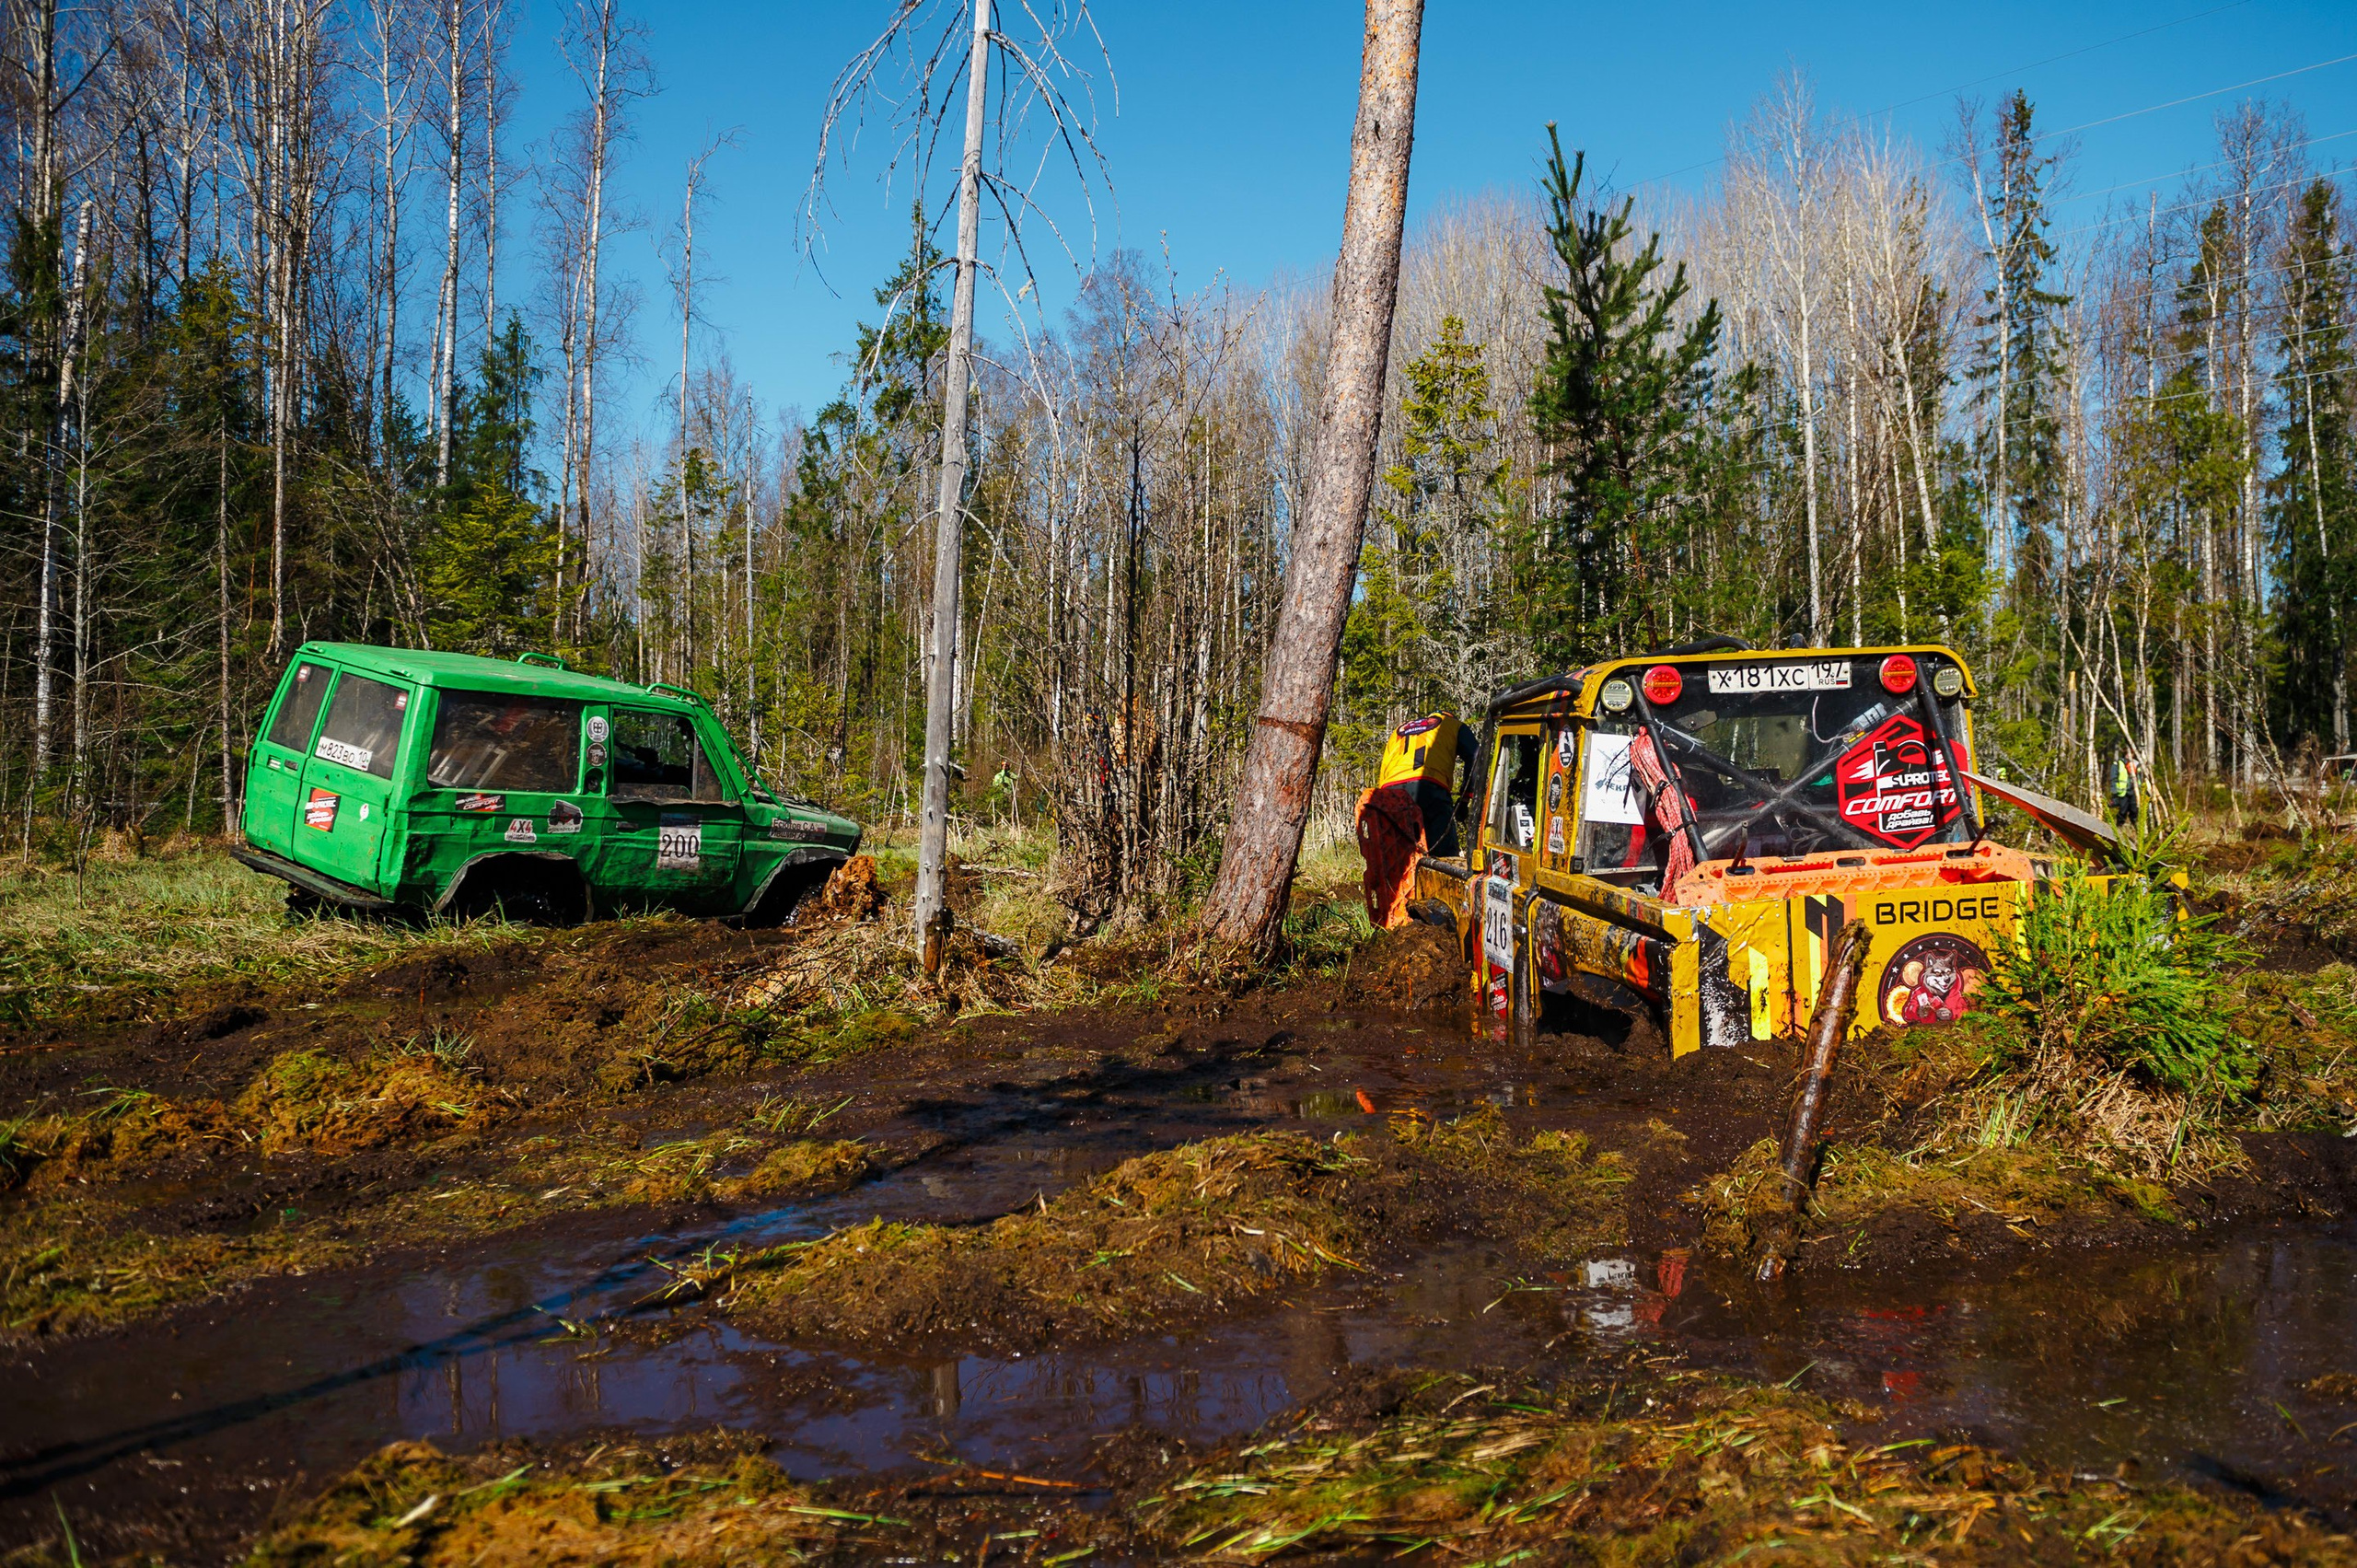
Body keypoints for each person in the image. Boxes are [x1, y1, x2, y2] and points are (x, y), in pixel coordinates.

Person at [1374, 711, 1480, 858]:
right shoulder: (1454, 725)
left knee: (1399, 856)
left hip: (1390, 789)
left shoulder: (1399, 729)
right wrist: (1465, 798)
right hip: (1429, 787)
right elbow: (1475, 755)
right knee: (1444, 857)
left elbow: (1385, 766)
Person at [2109, 754, 2140, 831]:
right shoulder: (2118, 763)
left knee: (2134, 811)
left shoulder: (2136, 764)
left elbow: (2140, 778)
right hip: (2122, 792)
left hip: (2133, 792)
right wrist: (2114, 791)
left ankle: (2136, 830)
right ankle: (2118, 829)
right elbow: (2113, 778)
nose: (2129, 755)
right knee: (2122, 811)